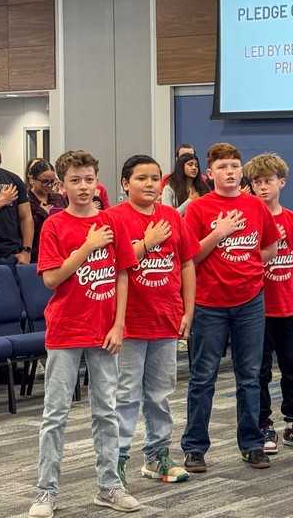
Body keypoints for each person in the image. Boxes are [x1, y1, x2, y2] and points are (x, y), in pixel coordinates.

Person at [28, 150, 140, 518]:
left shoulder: (112, 222)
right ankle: (46, 492)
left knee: (106, 412)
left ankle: (109, 486)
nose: (83, 187)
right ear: (62, 186)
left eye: (89, 179)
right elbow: (51, 279)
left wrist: (119, 324)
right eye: (75, 181)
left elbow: (122, 274)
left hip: (104, 331)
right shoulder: (55, 225)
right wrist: (87, 247)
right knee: (55, 415)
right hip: (66, 330)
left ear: (97, 182)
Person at [180, 143, 280, 473]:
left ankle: (252, 444)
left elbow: (271, 246)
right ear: (210, 173)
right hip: (209, 304)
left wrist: (248, 263)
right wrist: (219, 233)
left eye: (235, 166)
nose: (230, 171)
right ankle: (195, 447)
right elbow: (191, 257)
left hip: (250, 301)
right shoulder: (199, 208)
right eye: (223, 167)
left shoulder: (255, 205)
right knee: (203, 377)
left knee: (250, 376)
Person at [110, 155, 200, 487]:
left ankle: (157, 456)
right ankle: (117, 461)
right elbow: (113, 264)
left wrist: (188, 311)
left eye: (153, 178)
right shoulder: (114, 218)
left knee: (159, 394)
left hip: (165, 319)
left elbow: (187, 264)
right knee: (125, 396)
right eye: (141, 178)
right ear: (125, 184)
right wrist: (147, 243)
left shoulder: (172, 217)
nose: (149, 184)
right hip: (130, 323)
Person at [243, 153, 293, 454]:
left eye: (268, 181)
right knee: (260, 371)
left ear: (281, 182)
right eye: (257, 182)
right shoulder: (248, 218)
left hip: (287, 306)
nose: (263, 187)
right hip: (256, 309)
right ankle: (264, 425)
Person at [0, 130, 34, 270]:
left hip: (12, 256)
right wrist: (1, 201)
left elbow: (26, 218)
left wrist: (26, 251)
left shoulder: (13, 179)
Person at [27, 159, 66, 264]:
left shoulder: (58, 198)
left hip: (59, 253)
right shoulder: (25, 202)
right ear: (32, 179)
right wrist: (42, 214)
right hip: (35, 255)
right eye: (45, 181)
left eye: (52, 181)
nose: (49, 185)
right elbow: (24, 230)